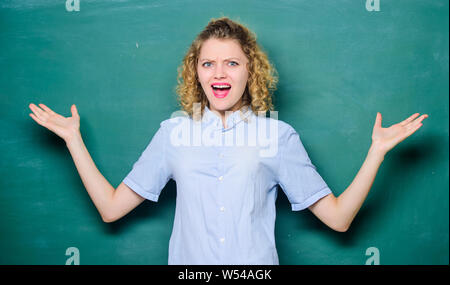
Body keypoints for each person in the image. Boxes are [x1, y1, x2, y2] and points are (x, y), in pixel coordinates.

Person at [28, 17, 428, 265]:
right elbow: (111, 209)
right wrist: (72, 140)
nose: (219, 72)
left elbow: (339, 220)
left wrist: (376, 152)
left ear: (249, 70)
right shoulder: (173, 134)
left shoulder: (276, 135)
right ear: (196, 72)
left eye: (231, 62)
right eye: (208, 63)